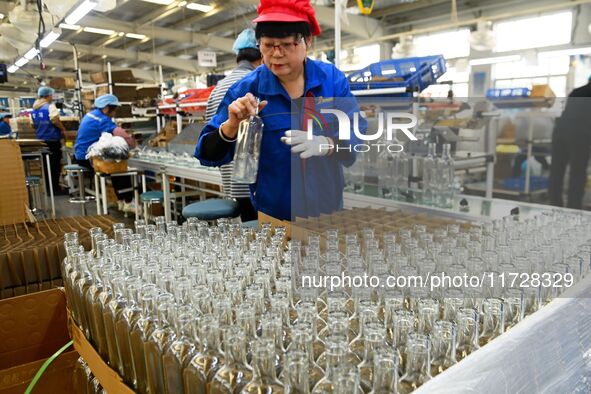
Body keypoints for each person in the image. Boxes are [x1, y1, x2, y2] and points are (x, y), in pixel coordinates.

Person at [195, 0, 364, 221]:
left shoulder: (331, 81)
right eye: (267, 45)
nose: (276, 53)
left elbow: (355, 130)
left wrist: (327, 144)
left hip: (327, 212)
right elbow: (207, 153)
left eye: (286, 44)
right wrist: (231, 126)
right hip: (274, 217)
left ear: (308, 41)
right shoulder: (248, 89)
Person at [204, 28, 262, 222]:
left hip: (230, 179)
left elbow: (209, 134)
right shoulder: (254, 83)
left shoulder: (218, 87)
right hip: (253, 181)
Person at [74, 94, 135, 208]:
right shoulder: (102, 119)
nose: (115, 112)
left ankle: (121, 200)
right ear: (107, 108)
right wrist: (131, 141)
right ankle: (127, 201)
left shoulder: (91, 115)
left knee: (115, 163)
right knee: (119, 167)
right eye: (114, 109)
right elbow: (118, 133)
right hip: (87, 157)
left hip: (80, 155)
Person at [548, 76, 591, 209]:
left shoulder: (576, 91)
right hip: (579, 136)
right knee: (577, 173)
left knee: (556, 171)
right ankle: (573, 209)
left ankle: (554, 207)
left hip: (560, 132)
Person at [32, 86, 68, 194]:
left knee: (46, 165)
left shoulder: (34, 108)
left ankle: (48, 189)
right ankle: (55, 190)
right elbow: (55, 120)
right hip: (52, 140)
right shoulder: (49, 106)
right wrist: (63, 129)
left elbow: (33, 124)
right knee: (54, 165)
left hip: (41, 141)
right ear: (48, 96)